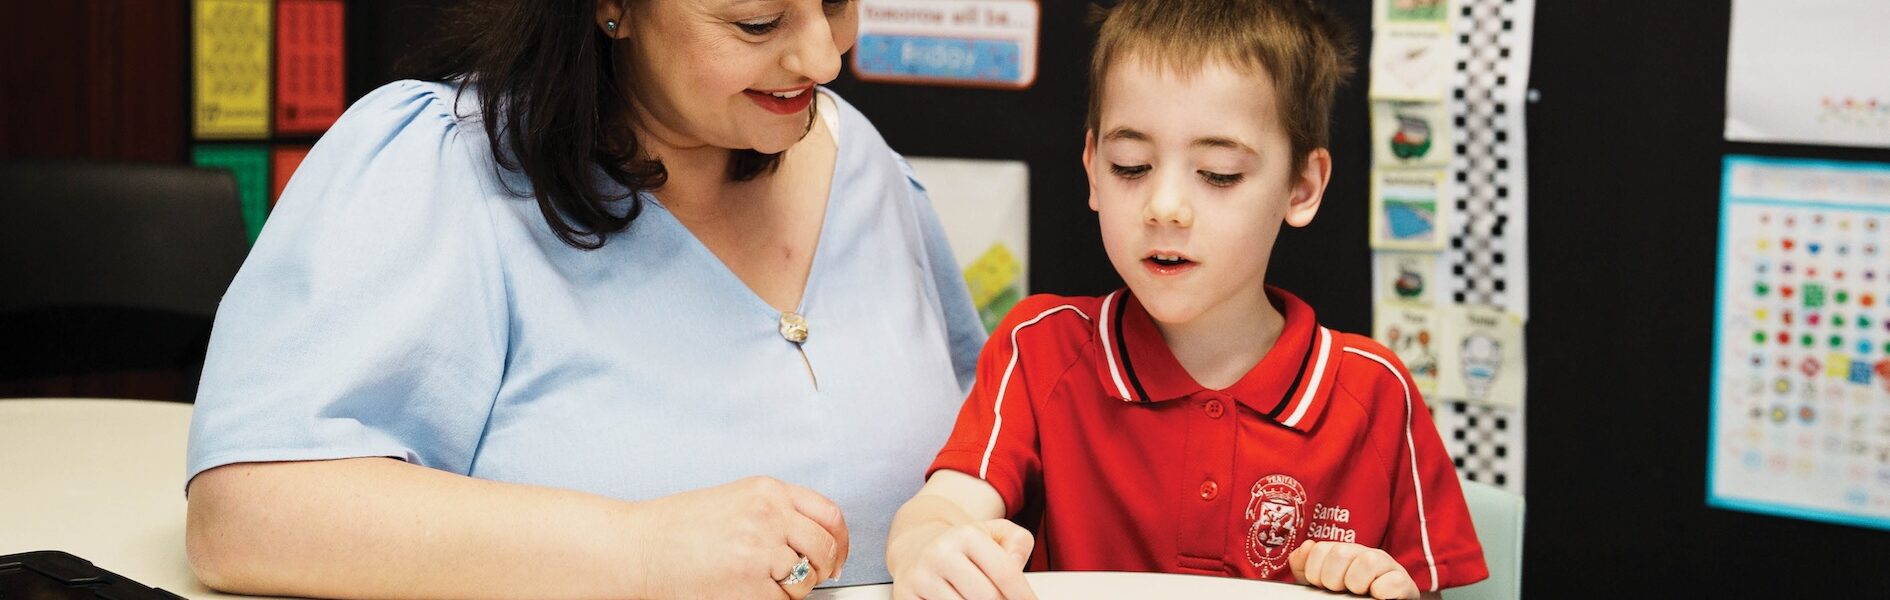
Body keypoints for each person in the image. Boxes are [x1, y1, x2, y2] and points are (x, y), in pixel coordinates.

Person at [183, 1, 984, 598]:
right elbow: (246, 514)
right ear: (613, 9)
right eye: (756, 22)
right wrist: (642, 551)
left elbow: (990, 455)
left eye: (836, 2)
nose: (822, 57)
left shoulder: (861, 159)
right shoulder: (443, 166)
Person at [884, 1, 1488, 599]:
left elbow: (1423, 589)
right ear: (1092, 169)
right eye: (1131, 166)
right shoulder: (1039, 346)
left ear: (1302, 187)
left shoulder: (1376, 393)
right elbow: (946, 507)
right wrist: (924, 545)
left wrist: (1378, 585)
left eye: (1219, 173)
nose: (1165, 207)